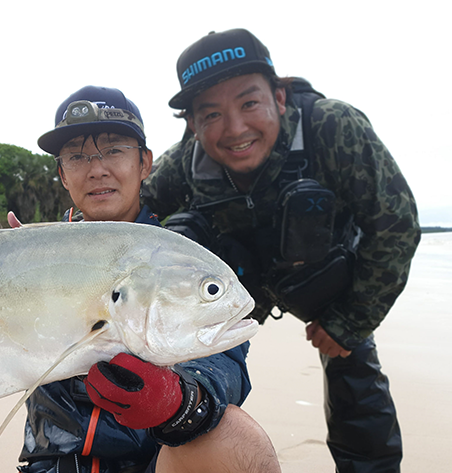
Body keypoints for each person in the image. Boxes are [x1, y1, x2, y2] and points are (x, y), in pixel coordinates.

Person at [0, 85, 281, 473]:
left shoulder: (179, 251)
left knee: (240, 442)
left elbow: (225, 365)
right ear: (62, 175)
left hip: (155, 463)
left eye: (114, 150)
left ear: (146, 163)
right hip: (52, 463)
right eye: (77, 156)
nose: (97, 168)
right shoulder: (22, 254)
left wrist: (180, 402)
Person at [143, 28, 421, 473]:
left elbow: (396, 225)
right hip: (234, 282)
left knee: (354, 371)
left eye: (249, 103)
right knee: (193, 375)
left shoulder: (333, 128)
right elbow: (123, 225)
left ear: (279, 96)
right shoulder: (180, 167)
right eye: (211, 114)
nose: (235, 129)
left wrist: (349, 321)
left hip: (324, 270)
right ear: (192, 124)